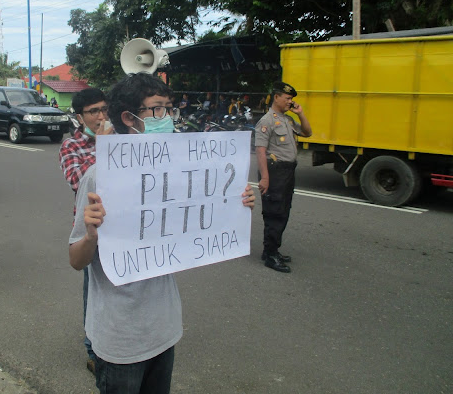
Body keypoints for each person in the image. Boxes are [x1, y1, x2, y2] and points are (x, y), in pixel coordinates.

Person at [69, 74, 256, 393]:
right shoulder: (99, 177)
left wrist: (234, 204)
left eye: (170, 109)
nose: (166, 118)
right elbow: (76, 259)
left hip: (164, 330)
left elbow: (198, 214)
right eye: (157, 110)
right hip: (120, 339)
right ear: (130, 118)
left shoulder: (178, 169)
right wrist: (90, 235)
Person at [59, 87, 112, 375]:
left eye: (104, 109)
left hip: (120, 227)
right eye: (94, 111)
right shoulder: (71, 147)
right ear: (80, 117)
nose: (101, 116)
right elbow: (78, 180)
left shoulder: (119, 137)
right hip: (91, 231)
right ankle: (93, 349)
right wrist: (104, 149)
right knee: (93, 291)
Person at [254, 81, 312, 273]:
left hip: (287, 172)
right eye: (287, 98)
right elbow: (261, 151)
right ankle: (270, 255)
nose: (290, 102)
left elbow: (307, 132)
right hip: (275, 172)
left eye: (292, 99)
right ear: (276, 96)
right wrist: (264, 178)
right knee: (274, 213)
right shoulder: (267, 121)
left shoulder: (287, 120)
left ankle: (271, 250)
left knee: (284, 211)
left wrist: (300, 113)